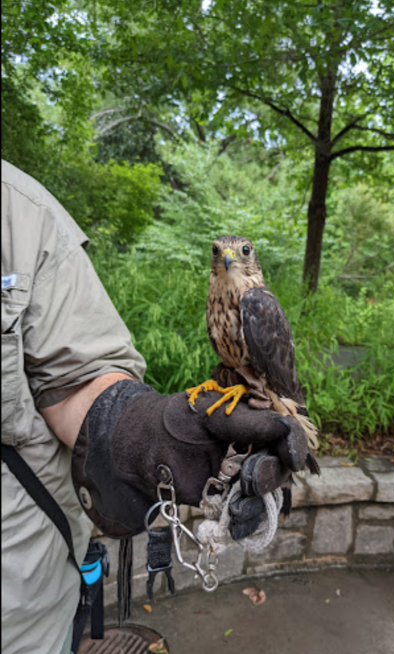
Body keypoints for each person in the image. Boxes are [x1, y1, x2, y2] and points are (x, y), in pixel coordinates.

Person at [1, 160, 316, 654]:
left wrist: (145, 429)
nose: (229, 261)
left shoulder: (19, 213)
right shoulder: (218, 299)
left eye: (241, 254)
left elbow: (73, 380)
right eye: (220, 255)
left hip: (22, 603)